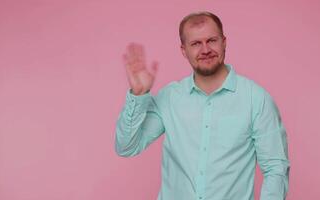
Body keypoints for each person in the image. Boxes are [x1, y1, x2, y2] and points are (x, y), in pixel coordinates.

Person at [116, 11, 289, 200]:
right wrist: (138, 95)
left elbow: (275, 169)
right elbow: (126, 147)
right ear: (184, 50)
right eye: (196, 43)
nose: (205, 50)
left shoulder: (256, 99)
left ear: (224, 42)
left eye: (212, 40)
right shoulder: (170, 98)